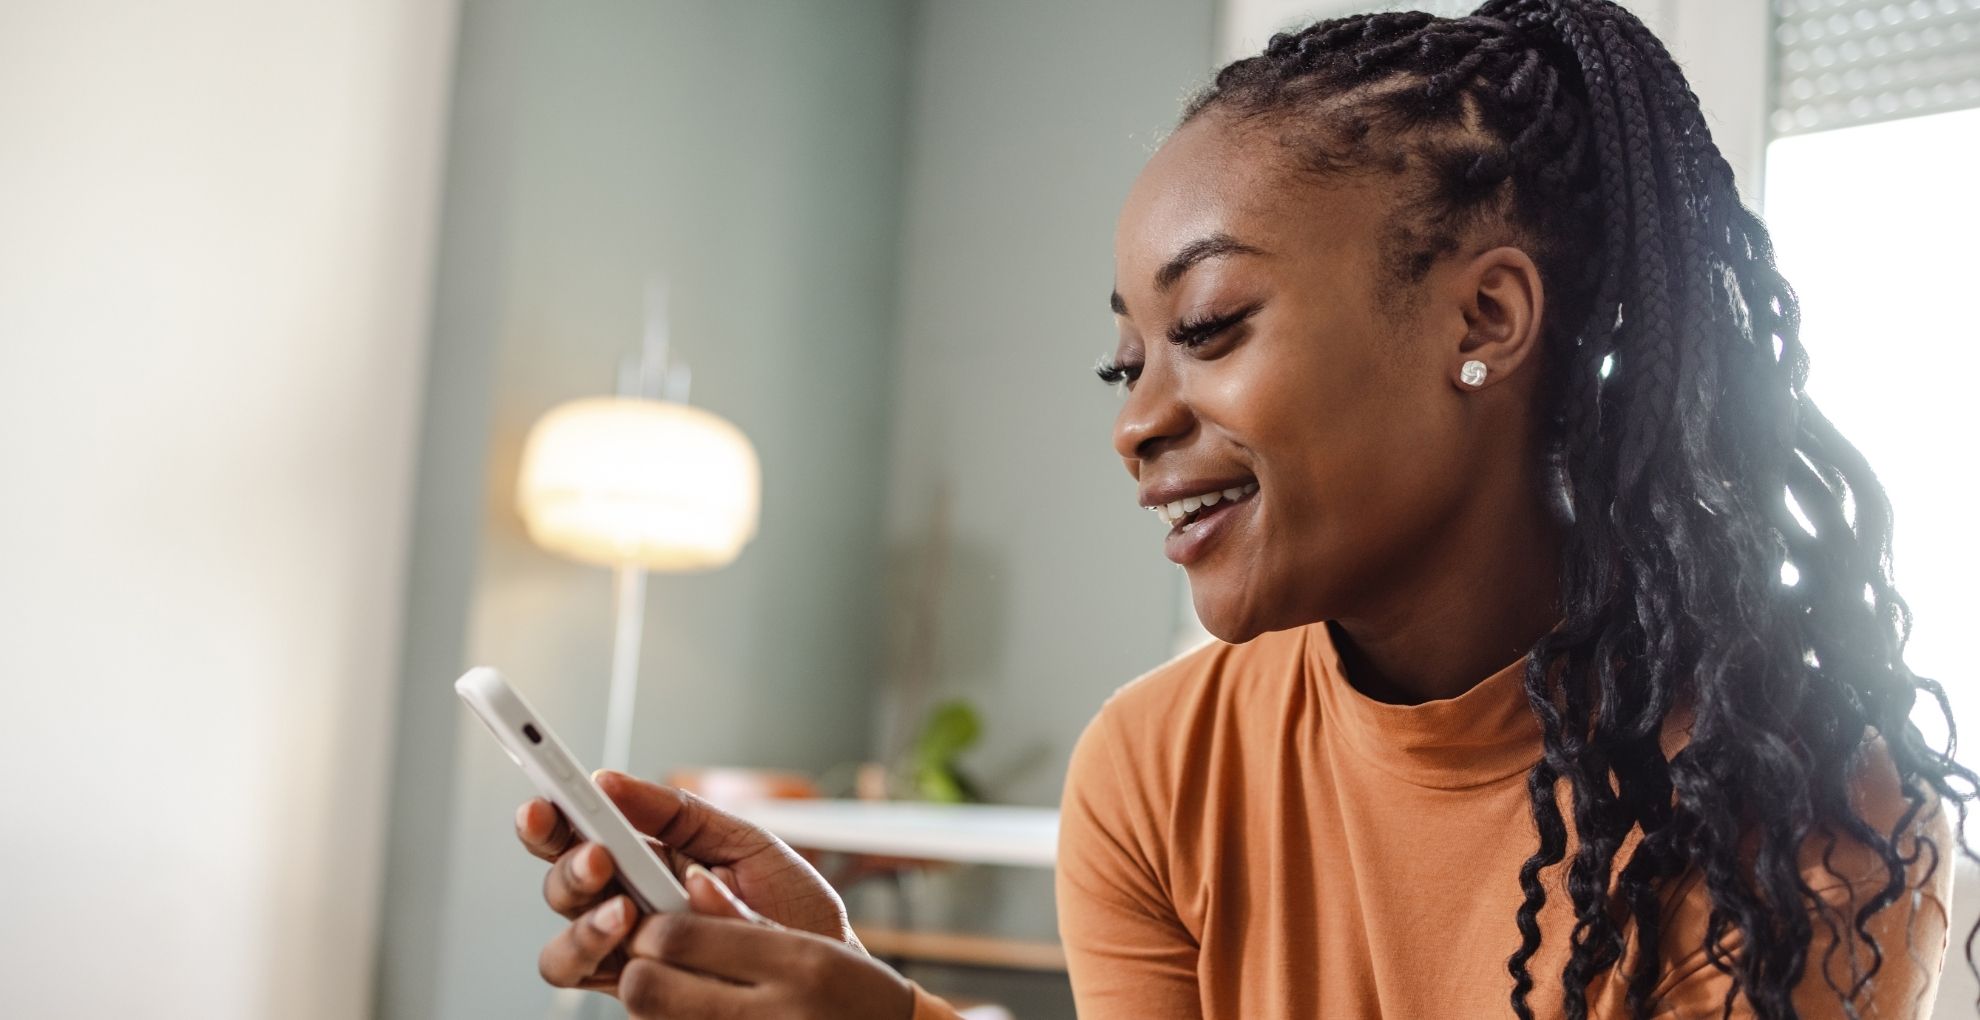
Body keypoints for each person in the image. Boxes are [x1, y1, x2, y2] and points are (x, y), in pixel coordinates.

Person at [512, 1, 1978, 1016]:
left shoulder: (1795, 808)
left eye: (1209, 326)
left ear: (1486, 315)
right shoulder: (1162, 767)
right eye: (1126, 360)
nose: (1136, 422)